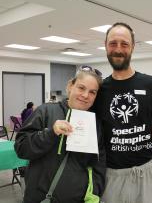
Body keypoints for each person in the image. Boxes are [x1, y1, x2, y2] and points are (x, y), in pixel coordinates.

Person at [95, 22, 152, 203]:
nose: (118, 49)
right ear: (105, 46)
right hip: (112, 176)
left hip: (146, 172)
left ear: (133, 47)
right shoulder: (99, 89)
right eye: (113, 43)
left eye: (124, 44)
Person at [15, 66, 106, 203]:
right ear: (70, 86)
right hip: (40, 198)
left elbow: (99, 164)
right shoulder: (45, 111)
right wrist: (51, 133)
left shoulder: (94, 123)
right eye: (81, 88)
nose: (86, 95)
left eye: (92, 92)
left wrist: (94, 192)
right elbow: (21, 148)